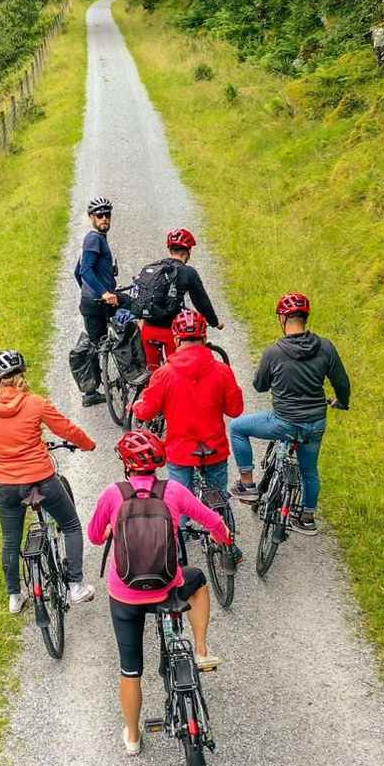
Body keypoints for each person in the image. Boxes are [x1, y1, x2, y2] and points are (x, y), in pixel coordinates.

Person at [87, 429, 231, 756]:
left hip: (125, 595)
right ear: (159, 463)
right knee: (198, 581)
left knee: (130, 670)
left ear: (126, 464)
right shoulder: (174, 490)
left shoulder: (113, 494)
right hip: (168, 587)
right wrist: (224, 539)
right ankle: (201, 650)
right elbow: (212, 520)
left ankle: (133, 736)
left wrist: (109, 529)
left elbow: (95, 536)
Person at [0, 350, 97, 613]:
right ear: (22, 375)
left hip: (6, 485)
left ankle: (14, 596)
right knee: (71, 524)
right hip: (41, 479)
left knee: (10, 539)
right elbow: (66, 429)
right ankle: (76, 586)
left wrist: (1, 450)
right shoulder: (35, 403)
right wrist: (88, 444)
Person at [229, 293, 350, 537]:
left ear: (283, 319)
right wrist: (342, 402)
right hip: (315, 423)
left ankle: (247, 484)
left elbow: (260, 386)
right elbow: (342, 383)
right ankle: (307, 518)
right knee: (309, 471)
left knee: (237, 428)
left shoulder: (274, 352)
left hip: (283, 422)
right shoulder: (326, 347)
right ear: (305, 318)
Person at [130, 310, 242, 501]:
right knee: (218, 502)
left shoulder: (164, 374)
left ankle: (184, 519)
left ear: (176, 339)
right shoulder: (222, 371)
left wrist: (136, 407)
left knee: (180, 505)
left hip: (180, 451)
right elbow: (235, 410)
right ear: (204, 337)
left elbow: (146, 412)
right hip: (214, 449)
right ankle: (221, 516)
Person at [131, 228, 223, 371]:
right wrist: (215, 322)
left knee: (152, 372)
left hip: (148, 330)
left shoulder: (153, 268)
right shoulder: (188, 272)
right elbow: (201, 302)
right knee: (177, 372)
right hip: (171, 333)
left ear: (170, 249)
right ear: (188, 251)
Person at [74, 196, 119, 406]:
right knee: (96, 345)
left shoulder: (99, 238)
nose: (104, 219)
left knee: (98, 342)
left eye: (107, 215)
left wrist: (88, 292)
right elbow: (85, 271)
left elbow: (77, 271)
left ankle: (95, 388)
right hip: (98, 302)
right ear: (91, 217)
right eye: (99, 215)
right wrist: (101, 293)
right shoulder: (93, 239)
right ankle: (91, 393)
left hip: (94, 301)